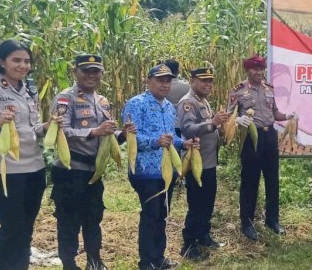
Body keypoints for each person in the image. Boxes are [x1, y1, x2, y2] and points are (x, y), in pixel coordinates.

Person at [0, 40, 58, 270]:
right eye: (17, 60)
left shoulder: (29, 89)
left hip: (34, 169)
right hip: (6, 171)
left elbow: (30, 129)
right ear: (2, 62)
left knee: (27, 227)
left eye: (27, 61)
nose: (23, 66)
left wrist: (48, 125)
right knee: (12, 227)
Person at [50, 55, 134, 270]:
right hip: (70, 171)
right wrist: (93, 131)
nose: (91, 75)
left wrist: (122, 134)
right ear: (75, 72)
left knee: (93, 217)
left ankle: (94, 262)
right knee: (69, 219)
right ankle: (69, 264)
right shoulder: (65, 99)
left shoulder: (103, 101)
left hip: (93, 172)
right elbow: (60, 131)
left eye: (96, 71)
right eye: (86, 70)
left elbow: (105, 136)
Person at [123, 63, 196, 270]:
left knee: (162, 214)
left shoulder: (169, 107)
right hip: (145, 171)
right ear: (148, 81)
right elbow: (131, 138)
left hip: (167, 170)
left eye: (168, 80)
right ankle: (146, 261)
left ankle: (159, 257)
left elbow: (172, 139)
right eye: (160, 80)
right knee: (150, 214)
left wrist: (185, 144)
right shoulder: (136, 104)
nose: (165, 85)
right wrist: (155, 142)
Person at [228, 55, 293, 241]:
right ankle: (247, 222)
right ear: (247, 70)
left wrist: (288, 115)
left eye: (261, 69)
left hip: (270, 136)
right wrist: (238, 120)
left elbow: (276, 113)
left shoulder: (269, 88)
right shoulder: (238, 91)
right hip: (252, 137)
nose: (258, 72)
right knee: (250, 180)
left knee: (272, 179)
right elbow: (229, 115)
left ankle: (272, 220)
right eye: (255, 69)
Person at [176, 67, 228, 260]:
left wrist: (221, 127)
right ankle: (189, 244)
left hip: (209, 162)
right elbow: (188, 130)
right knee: (196, 205)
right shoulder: (188, 103)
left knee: (207, 203)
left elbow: (210, 127)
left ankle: (204, 235)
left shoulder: (203, 101)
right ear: (192, 81)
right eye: (203, 81)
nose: (208, 85)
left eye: (210, 81)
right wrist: (213, 124)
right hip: (196, 164)